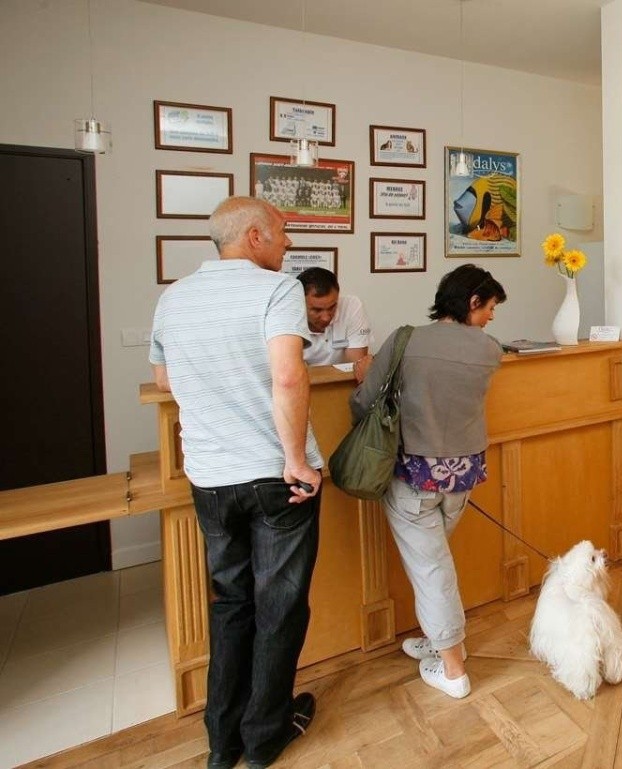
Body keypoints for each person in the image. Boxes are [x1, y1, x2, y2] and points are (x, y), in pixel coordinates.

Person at [149, 196, 322, 769]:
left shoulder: (173, 297)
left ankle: (222, 743)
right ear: (253, 236)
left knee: (230, 603)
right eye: (282, 231)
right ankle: (265, 735)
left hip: (211, 480)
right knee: (279, 607)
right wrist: (297, 460)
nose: (287, 242)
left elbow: (165, 378)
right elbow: (288, 377)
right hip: (275, 478)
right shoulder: (277, 289)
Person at [350, 264, 506, 699]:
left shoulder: (406, 340)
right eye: (489, 307)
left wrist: (365, 377)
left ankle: (453, 669)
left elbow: (364, 403)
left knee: (431, 568)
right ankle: (439, 640)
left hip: (414, 477)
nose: (491, 317)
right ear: (472, 301)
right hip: (464, 476)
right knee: (433, 564)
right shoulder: (490, 349)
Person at [296, 267, 372, 380]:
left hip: (344, 383)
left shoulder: (351, 306)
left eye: (332, 307)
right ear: (299, 303)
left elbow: (357, 367)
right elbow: (292, 373)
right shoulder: (286, 316)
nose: (326, 318)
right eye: (317, 310)